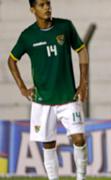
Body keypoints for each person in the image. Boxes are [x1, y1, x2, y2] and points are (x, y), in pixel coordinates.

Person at [7, 0, 88, 179]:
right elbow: (12, 60)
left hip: (69, 97)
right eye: (42, 5)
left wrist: (83, 83)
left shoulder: (65, 27)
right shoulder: (28, 36)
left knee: (79, 138)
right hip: (43, 100)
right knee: (48, 143)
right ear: (32, 9)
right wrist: (22, 87)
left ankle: (81, 177)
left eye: (48, 3)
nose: (47, 7)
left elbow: (82, 50)